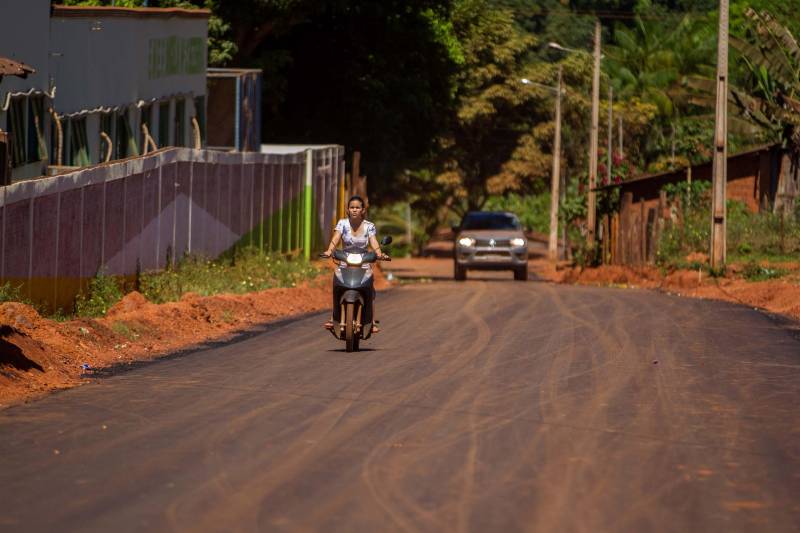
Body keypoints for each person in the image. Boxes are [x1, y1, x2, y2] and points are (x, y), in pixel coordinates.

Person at [321, 195, 387, 332]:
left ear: (363, 210)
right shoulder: (342, 224)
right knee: (337, 286)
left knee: (370, 290)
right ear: (348, 209)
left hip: (363, 261)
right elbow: (336, 238)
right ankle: (334, 318)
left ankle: (372, 321)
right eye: (352, 207)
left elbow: (373, 241)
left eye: (357, 207)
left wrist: (379, 254)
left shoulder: (369, 226)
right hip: (345, 260)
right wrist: (329, 251)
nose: (354, 210)